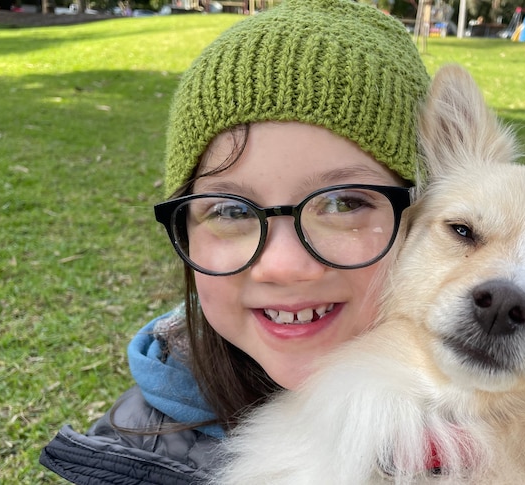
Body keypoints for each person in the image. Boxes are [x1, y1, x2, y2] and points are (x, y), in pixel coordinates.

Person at [39, 0, 430, 483]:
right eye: (230, 211)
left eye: (344, 203)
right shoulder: (138, 449)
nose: (283, 265)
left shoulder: (524, 438)